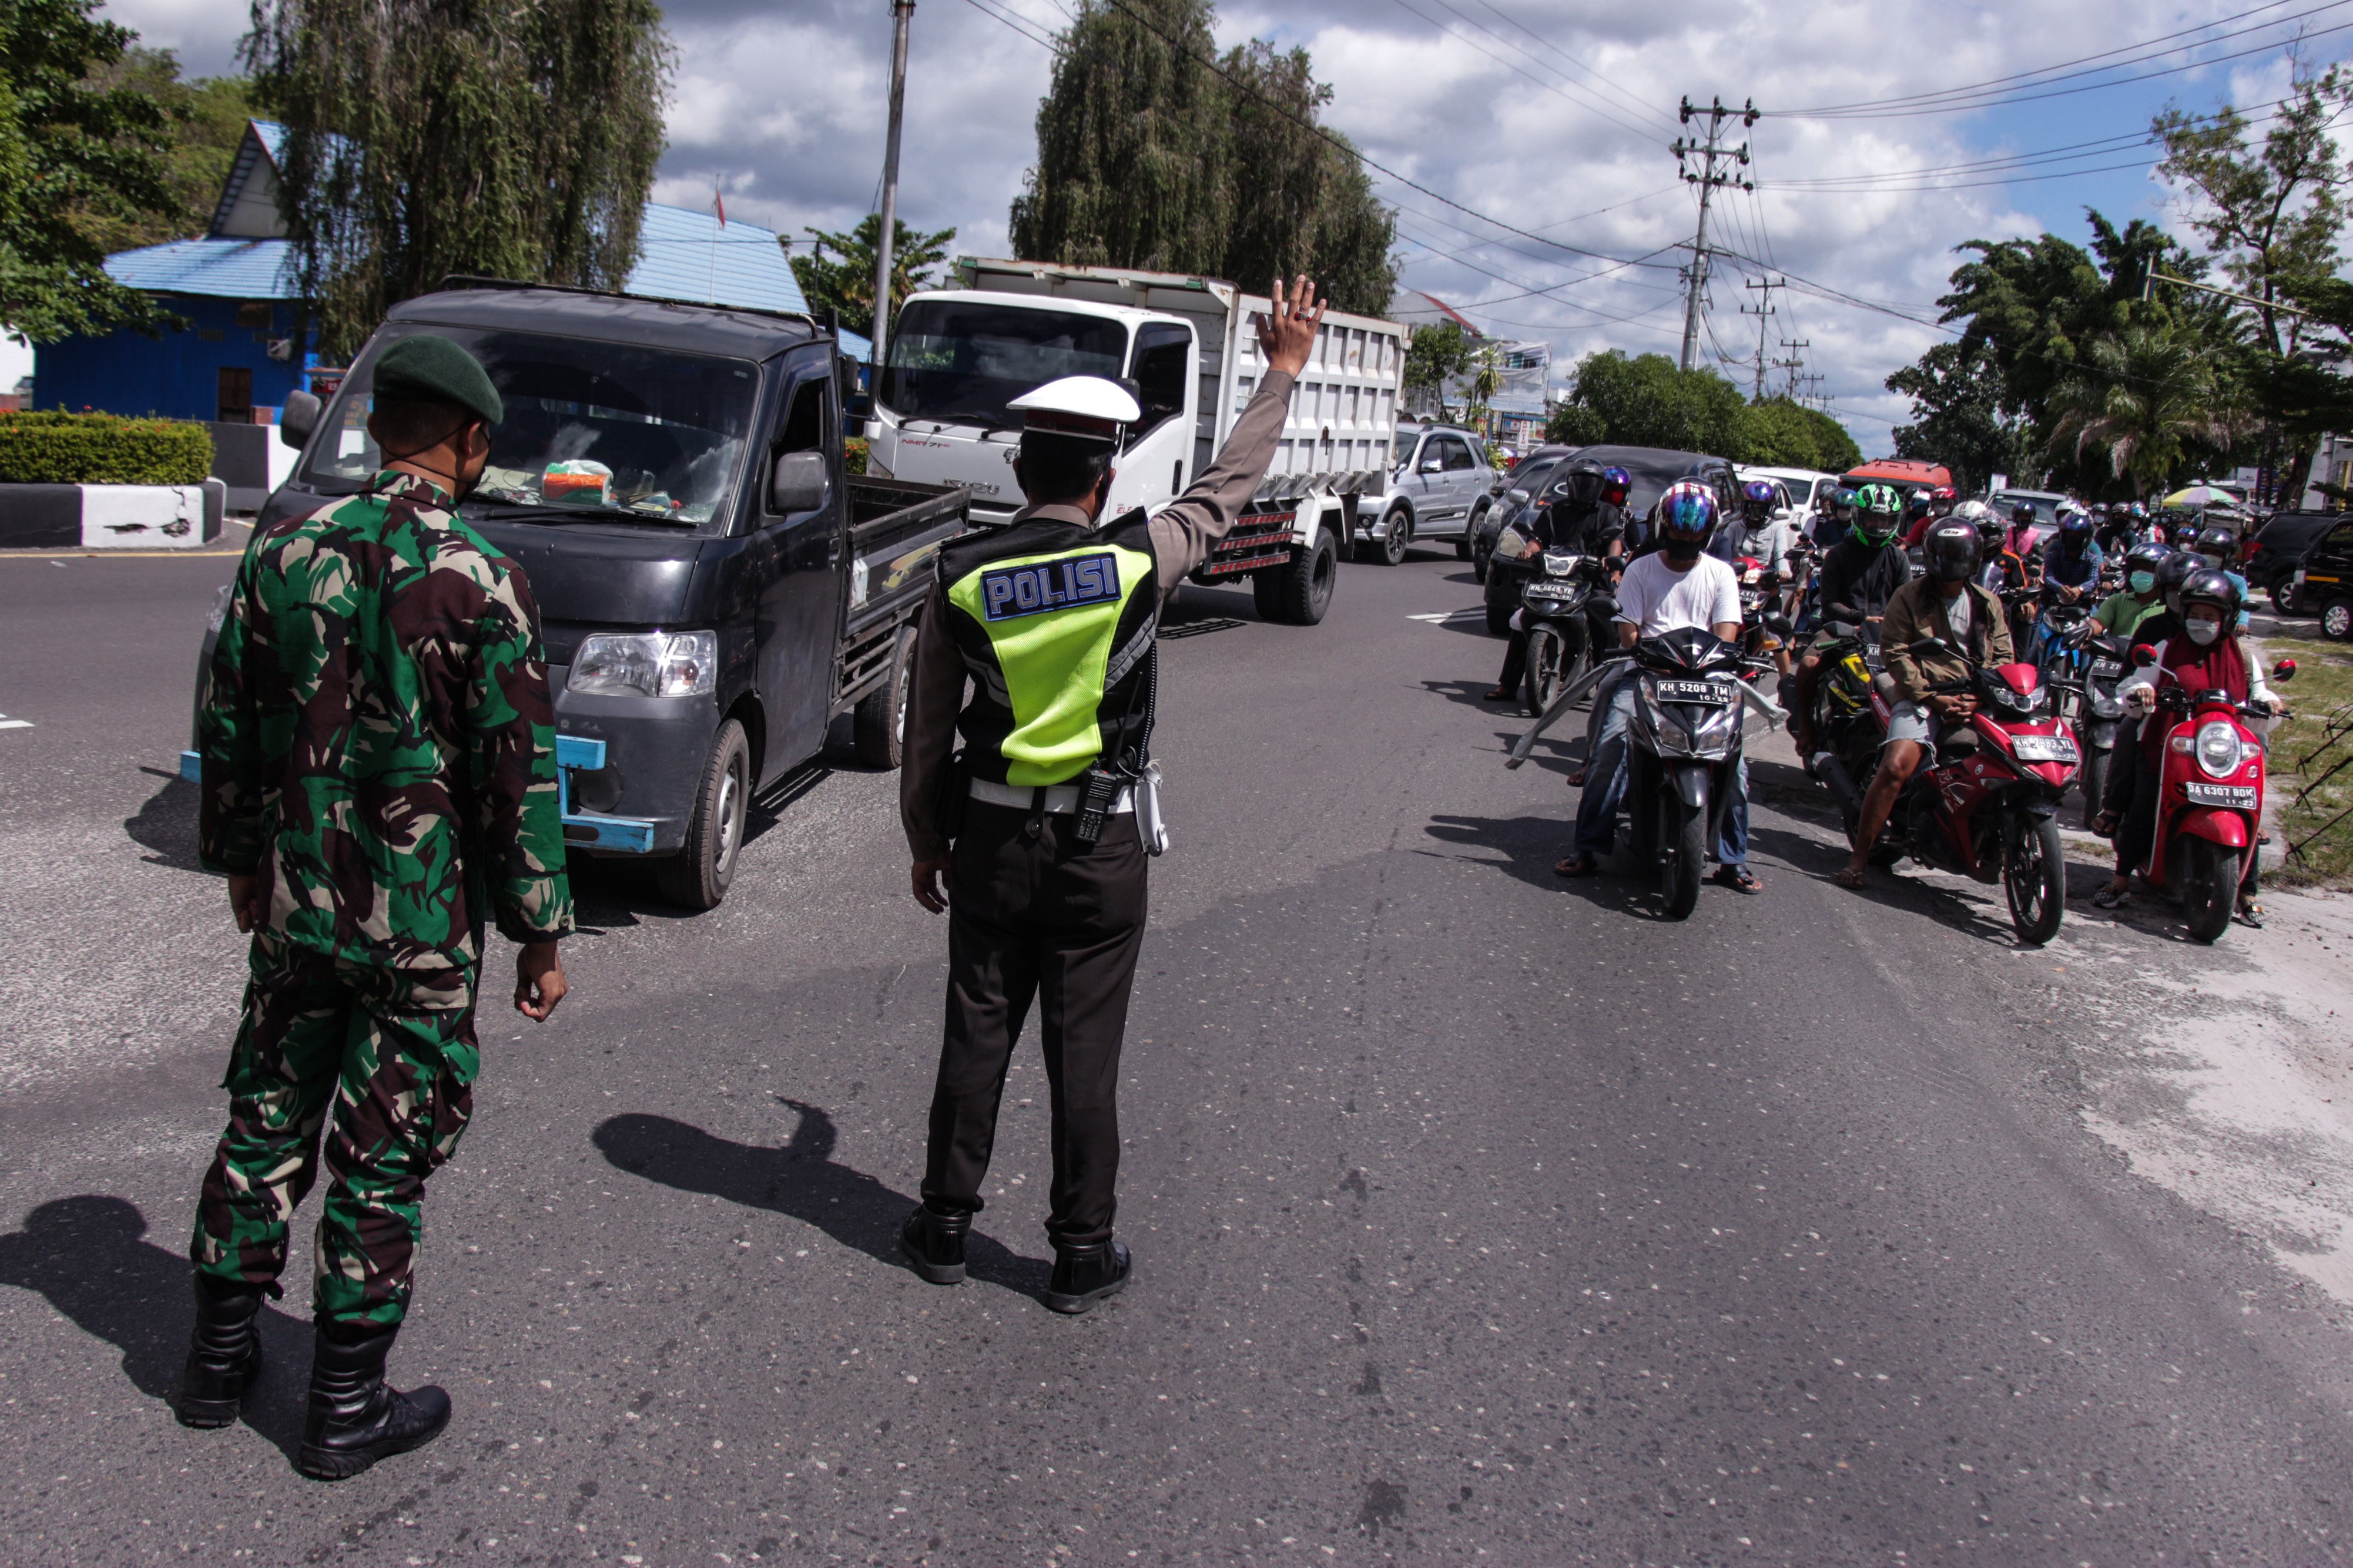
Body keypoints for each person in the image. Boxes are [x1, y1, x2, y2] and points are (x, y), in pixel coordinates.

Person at [896, 276, 1326, 1315]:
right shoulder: (1143, 557)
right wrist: (1279, 369)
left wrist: (925, 842)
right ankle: (1079, 1251)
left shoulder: (958, 577)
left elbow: (921, 743)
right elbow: (1229, 484)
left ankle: (944, 1226)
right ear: (1105, 474)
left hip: (991, 843)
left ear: (1019, 464)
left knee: (977, 1029)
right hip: (1102, 853)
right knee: (1083, 1049)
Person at [182, 335, 572, 1479]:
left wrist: (242, 860)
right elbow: (519, 776)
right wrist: (541, 930)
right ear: (472, 441)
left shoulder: (284, 548)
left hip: (300, 908)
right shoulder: (484, 577)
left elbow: (233, 726)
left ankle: (213, 1363)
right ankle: (344, 1407)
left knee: (266, 1112)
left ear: (373, 427)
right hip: (420, 930)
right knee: (381, 1152)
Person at [1556, 480, 1759, 892]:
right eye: (1679, 529)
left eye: (1694, 531)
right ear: (1663, 525)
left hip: (1707, 681)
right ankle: (1587, 846)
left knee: (1735, 767)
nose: (1685, 538)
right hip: (1647, 674)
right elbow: (1629, 633)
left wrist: (1698, 664)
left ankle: (1733, 859)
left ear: (1709, 530)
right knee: (1609, 749)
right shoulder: (1639, 569)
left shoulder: (1721, 574)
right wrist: (1653, 659)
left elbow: (1726, 634)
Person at [1835, 516, 2015, 889]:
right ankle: (1859, 857)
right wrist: (1933, 697)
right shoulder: (1909, 596)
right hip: (1922, 695)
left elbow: (2003, 658)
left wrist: (1979, 700)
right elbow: (1895, 652)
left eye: (1960, 554)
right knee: (1897, 766)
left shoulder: (1987, 603)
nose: (1952, 562)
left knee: (2016, 766)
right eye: (1946, 554)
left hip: (1977, 699)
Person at [2093, 570, 2283, 924]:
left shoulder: (2242, 657)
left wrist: (2269, 701)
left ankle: (2247, 892)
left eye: (2209, 617)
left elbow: (2260, 691)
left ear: (2226, 618)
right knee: (2144, 801)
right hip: (2171, 746)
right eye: (2195, 614)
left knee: (2248, 808)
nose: (2201, 622)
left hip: (2222, 750)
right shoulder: (2167, 650)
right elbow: (2133, 685)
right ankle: (2120, 880)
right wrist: (2141, 691)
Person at [1486, 455, 1628, 703]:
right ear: (1570, 483)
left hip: (1592, 581)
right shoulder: (1555, 510)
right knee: (1524, 618)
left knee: (1603, 619)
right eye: (1580, 481)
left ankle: (1609, 684)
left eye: (1590, 482)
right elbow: (1536, 539)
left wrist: (1609, 562)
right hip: (1555, 578)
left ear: (1599, 486)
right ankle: (1508, 685)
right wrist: (1529, 551)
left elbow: (1615, 542)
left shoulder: (1608, 513)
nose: (1584, 487)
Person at [1785, 485, 1911, 753]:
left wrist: (1889, 623)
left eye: (1883, 520)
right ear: (1858, 517)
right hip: (1843, 629)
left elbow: (1906, 603)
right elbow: (1829, 605)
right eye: (1871, 519)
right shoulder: (1839, 555)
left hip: (1887, 635)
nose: (1877, 526)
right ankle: (1805, 728)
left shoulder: (1899, 558)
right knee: (1808, 664)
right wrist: (1861, 618)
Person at [2092, 542, 2172, 639]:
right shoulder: (2117, 601)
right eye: (2137, 567)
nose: (2140, 572)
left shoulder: (2169, 608)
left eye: (2147, 568)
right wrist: (2087, 629)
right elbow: (2098, 623)